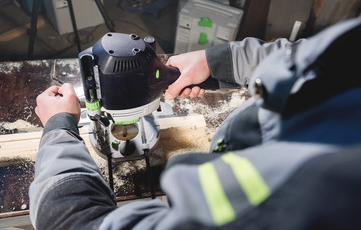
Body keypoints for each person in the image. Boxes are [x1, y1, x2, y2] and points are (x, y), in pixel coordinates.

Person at [30, 15, 361, 230]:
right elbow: (303, 60)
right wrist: (216, 62)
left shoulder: (316, 192)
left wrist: (58, 128)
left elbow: (70, 222)